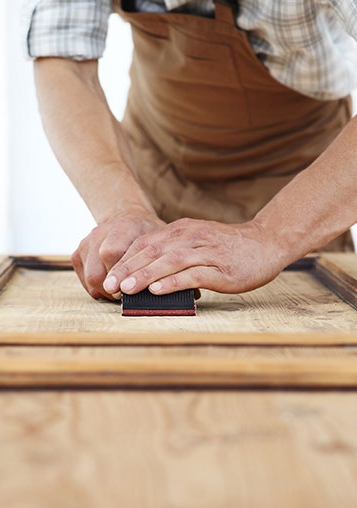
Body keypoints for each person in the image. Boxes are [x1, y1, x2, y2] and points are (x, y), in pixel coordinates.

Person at [22, 0, 357, 300]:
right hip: (156, 163)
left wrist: (271, 235)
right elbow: (63, 59)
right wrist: (123, 209)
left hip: (301, 171)